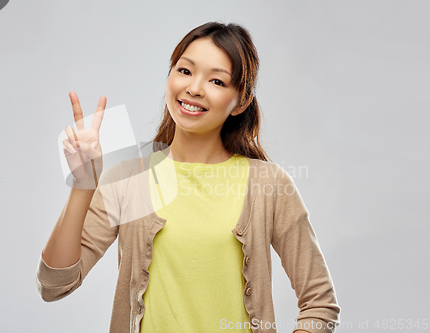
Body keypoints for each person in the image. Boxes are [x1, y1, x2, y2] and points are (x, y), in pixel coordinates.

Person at [36, 22, 340, 333]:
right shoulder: (130, 180)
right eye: (185, 71)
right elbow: (54, 285)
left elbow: (319, 302)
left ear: (242, 101)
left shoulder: (268, 185)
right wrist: (83, 185)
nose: (194, 88)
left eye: (217, 81)